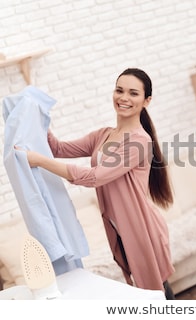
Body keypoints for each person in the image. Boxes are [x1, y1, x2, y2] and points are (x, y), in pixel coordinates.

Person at [17, 68, 176, 299]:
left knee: (154, 294)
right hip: (118, 227)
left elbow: (94, 177)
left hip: (142, 228)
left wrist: (39, 161)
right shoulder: (103, 135)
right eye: (119, 90)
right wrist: (38, 114)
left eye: (133, 93)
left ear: (146, 101)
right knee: (144, 294)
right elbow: (58, 149)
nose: (123, 98)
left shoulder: (140, 141)